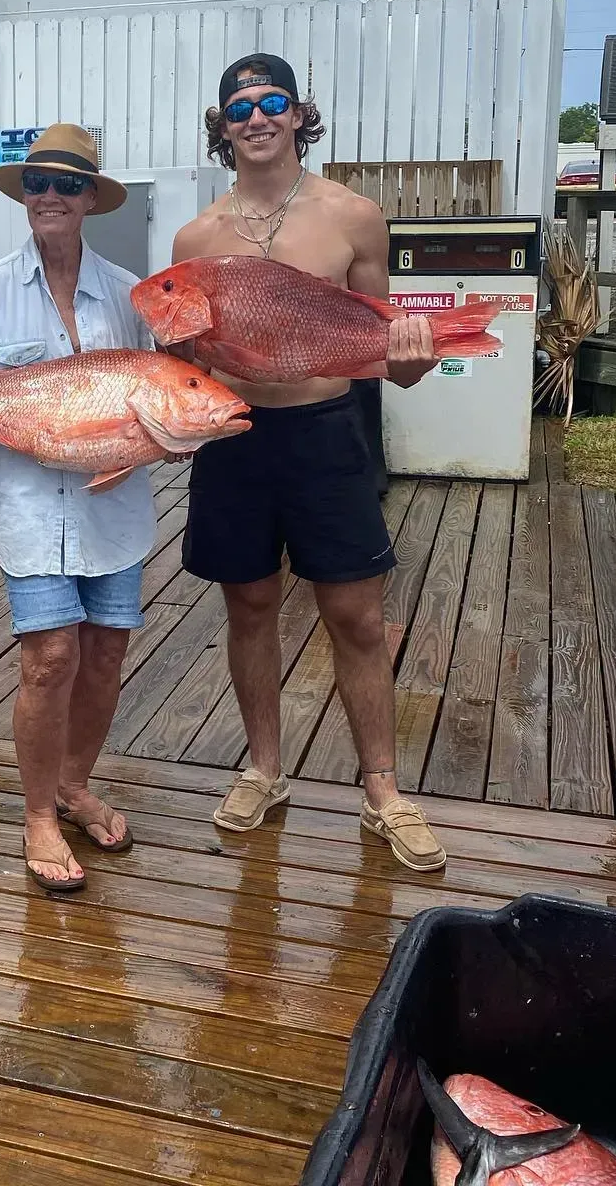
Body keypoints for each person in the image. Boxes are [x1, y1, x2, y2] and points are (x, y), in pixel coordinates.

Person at [170, 53, 448, 873]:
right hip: (235, 437)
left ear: (298, 114)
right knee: (249, 607)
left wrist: (416, 356)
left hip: (330, 432)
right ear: (222, 128)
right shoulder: (197, 237)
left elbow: (380, 348)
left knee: (357, 617)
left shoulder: (354, 216)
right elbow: (196, 353)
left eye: (272, 102)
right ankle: (264, 769)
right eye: (240, 106)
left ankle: (384, 791)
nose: (256, 117)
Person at [0, 124, 157, 892]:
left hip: (115, 508)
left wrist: (163, 437)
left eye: (68, 185)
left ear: (90, 201)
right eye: (38, 183)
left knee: (105, 653)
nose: (50, 196)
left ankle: (75, 783)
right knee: (50, 659)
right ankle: (38, 813)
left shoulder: (132, 295)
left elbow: (159, 394)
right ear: (23, 194)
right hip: (28, 506)